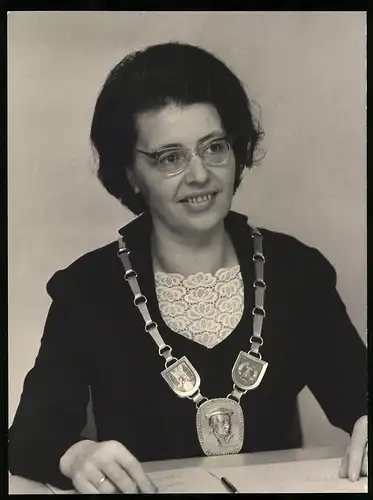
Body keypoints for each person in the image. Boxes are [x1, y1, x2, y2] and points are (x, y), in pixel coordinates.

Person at [8, 42, 367, 494]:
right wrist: (76, 453)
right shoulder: (87, 289)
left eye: (214, 147)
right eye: (170, 157)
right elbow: (27, 438)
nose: (200, 175)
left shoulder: (297, 272)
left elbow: (359, 395)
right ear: (131, 173)